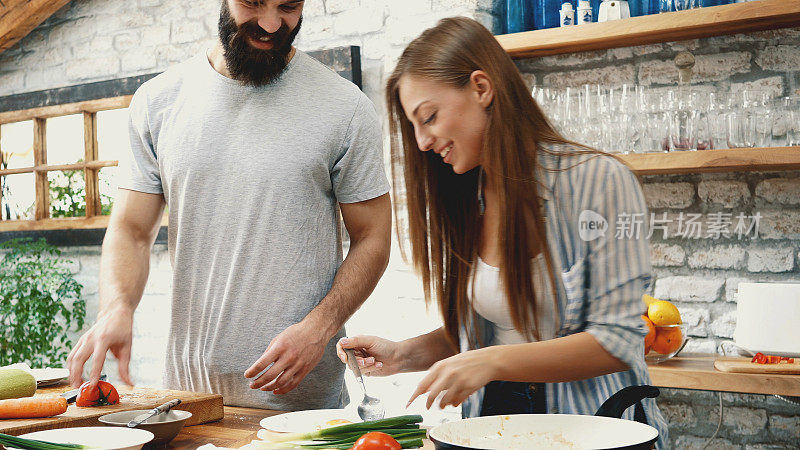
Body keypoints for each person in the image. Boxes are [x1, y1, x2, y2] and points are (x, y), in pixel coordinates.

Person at [336, 16, 668, 447]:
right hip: (496, 426)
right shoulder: (466, 197)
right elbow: (484, 333)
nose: (421, 142)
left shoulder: (599, 180)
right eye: (413, 126)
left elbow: (619, 341)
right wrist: (402, 355)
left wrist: (492, 362)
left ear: (481, 88)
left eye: (429, 117)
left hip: (592, 427)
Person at [67, 0, 391, 411]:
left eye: (288, 6)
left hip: (305, 411)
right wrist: (118, 306)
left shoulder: (345, 109)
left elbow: (373, 238)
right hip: (190, 401)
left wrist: (320, 326)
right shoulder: (157, 102)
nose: (272, 23)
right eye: (253, 2)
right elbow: (131, 229)